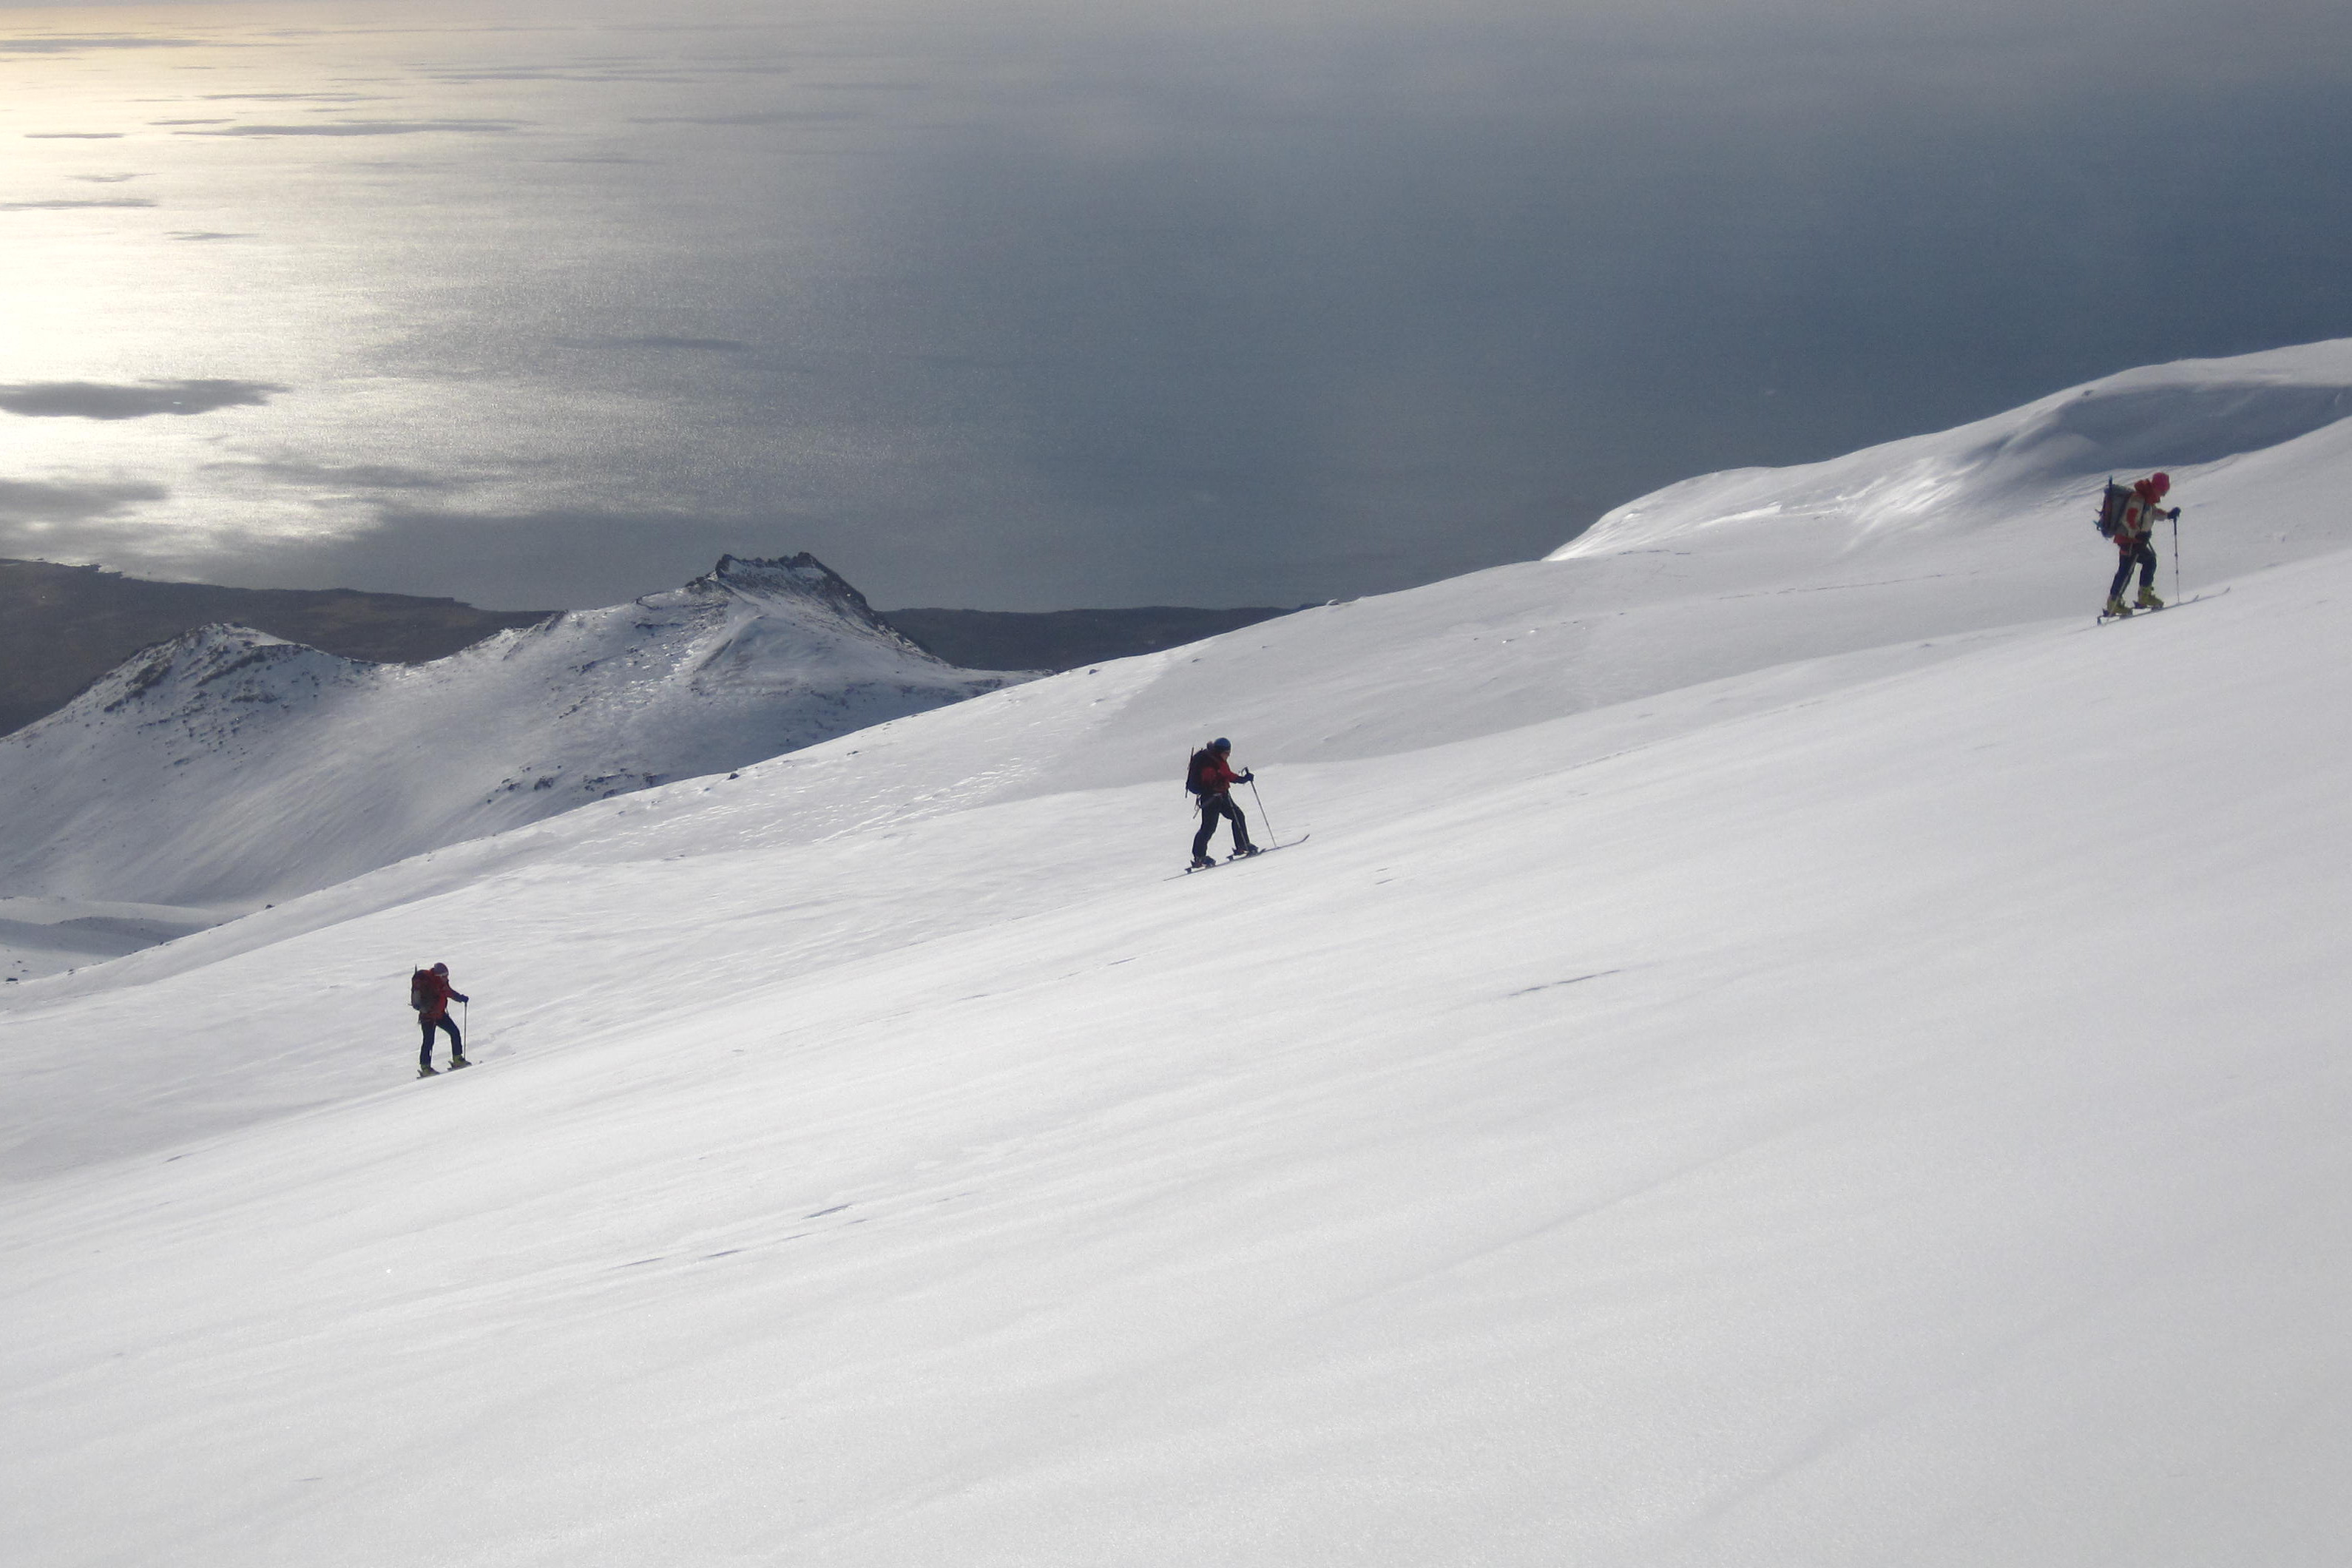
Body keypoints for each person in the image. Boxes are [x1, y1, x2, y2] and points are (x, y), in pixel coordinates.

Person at [2106, 471, 2180, 617]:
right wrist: (2137, 534)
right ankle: (2116, 602)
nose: (2164, 494)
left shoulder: (2147, 499)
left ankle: (2139, 596)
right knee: (2127, 569)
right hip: (2129, 540)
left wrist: (2168, 515)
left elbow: (2153, 513)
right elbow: (2129, 518)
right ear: (2157, 487)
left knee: (2146, 561)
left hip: (2135, 540)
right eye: (2163, 490)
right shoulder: (2139, 499)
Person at [1188, 737, 1258, 868]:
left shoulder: (1217, 760)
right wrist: (1239, 779)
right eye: (1226, 753)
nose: (1228, 755)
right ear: (1220, 751)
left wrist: (1241, 779)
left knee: (1237, 816)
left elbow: (1226, 774)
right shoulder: (1209, 762)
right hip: (1212, 799)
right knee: (1209, 827)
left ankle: (1242, 845)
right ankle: (1199, 856)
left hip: (1221, 796)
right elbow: (1213, 779)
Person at [411, 961, 470, 1076]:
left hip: (439, 1014)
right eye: (445, 976)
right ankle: (426, 1067)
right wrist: (461, 998)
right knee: (429, 1040)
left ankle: (456, 1058)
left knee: (453, 1032)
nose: (447, 978)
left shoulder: (440, 983)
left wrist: (461, 998)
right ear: (440, 976)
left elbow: (449, 992)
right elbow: (449, 993)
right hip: (428, 1016)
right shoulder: (432, 983)